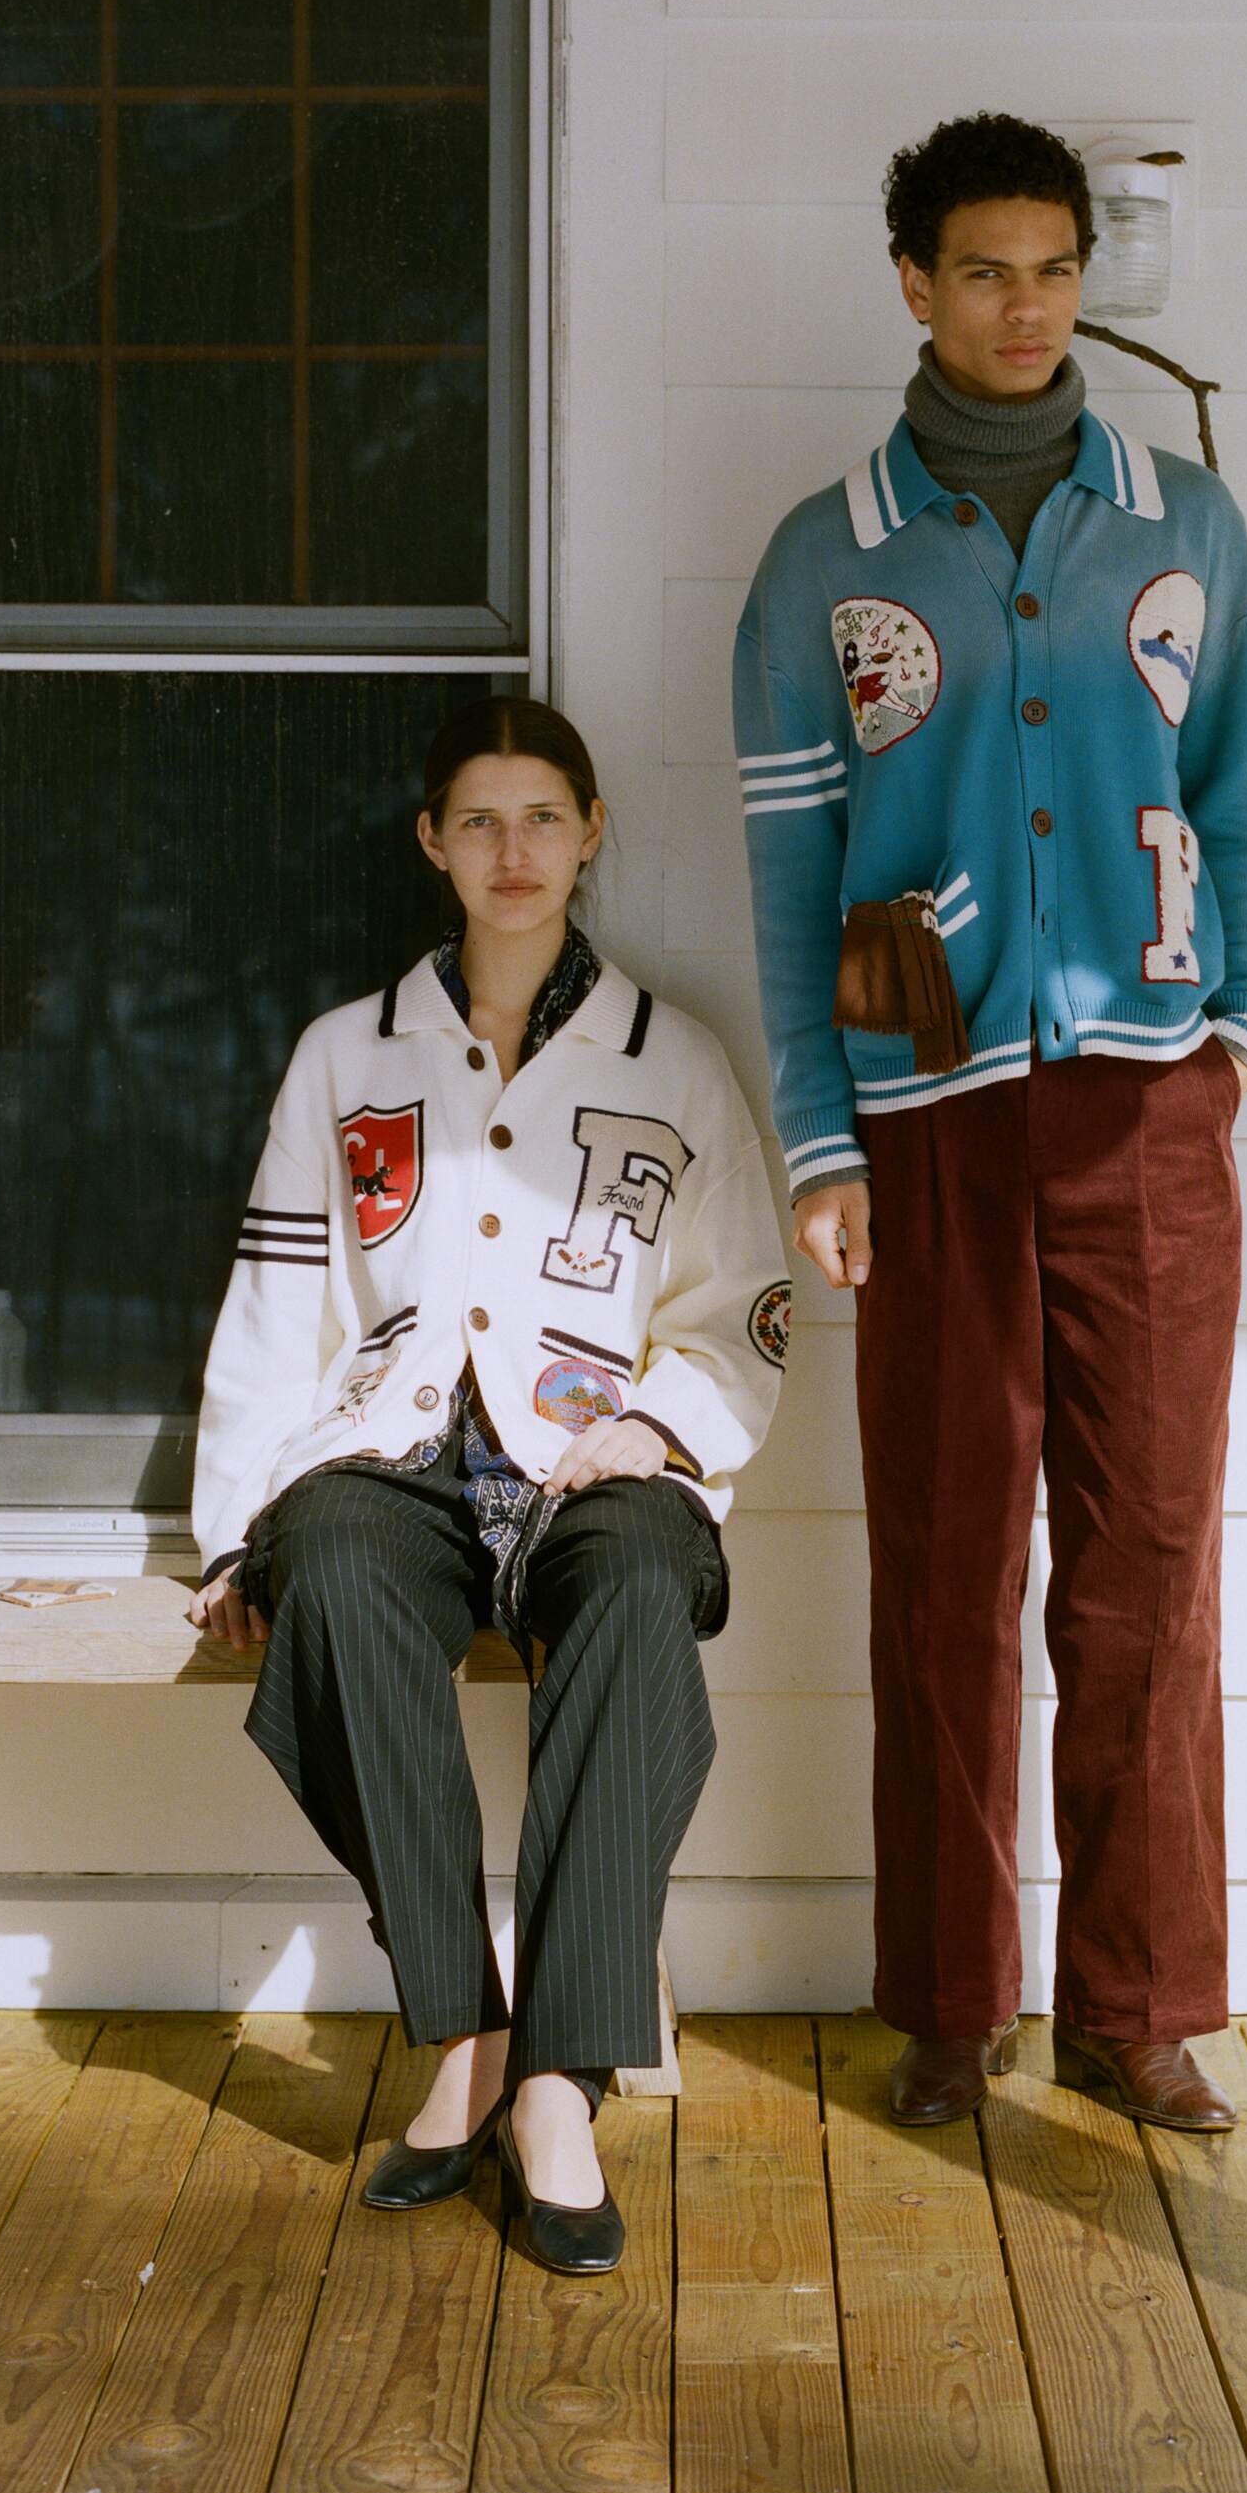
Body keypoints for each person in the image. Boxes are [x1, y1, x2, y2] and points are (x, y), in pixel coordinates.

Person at [731, 112, 1247, 2134]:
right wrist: (819, 1139)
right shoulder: (830, 552)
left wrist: (1241, 1024)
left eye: (1050, 266)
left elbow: (1234, 790)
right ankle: (948, 2003)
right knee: (946, 1559)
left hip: (1147, 1112)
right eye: (980, 268)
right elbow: (796, 879)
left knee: (1148, 1561)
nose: (1021, 302)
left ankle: (1136, 2009)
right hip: (928, 1122)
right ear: (911, 283)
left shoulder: (1178, 521)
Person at [187, 697, 790, 2270]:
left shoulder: (673, 1059)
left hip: (594, 1455)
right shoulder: (349, 1054)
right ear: (431, 844)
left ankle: (560, 2088)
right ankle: (460, 2029)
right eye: (478, 820)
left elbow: (738, 1310)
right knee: (320, 1568)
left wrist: (657, 1434)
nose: (511, 852)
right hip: (396, 1447)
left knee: (647, 1587)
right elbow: (277, 1303)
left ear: (592, 835)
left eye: (542, 818)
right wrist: (231, 1518)